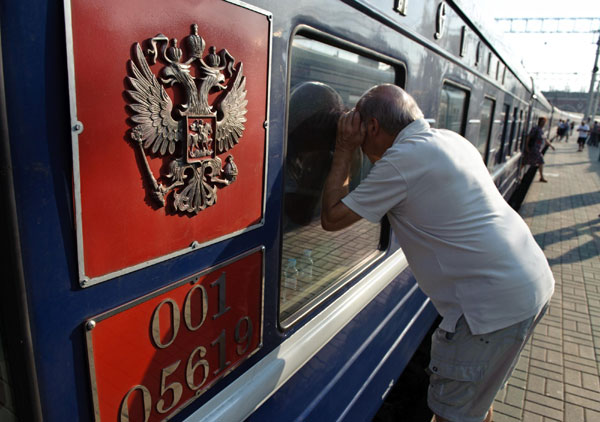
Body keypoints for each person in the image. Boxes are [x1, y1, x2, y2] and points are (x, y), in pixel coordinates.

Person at [321, 84, 554, 422]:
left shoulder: (403, 161)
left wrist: (343, 148)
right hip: (529, 282)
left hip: (489, 309)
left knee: (450, 416)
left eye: (360, 128)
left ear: (372, 127)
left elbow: (331, 217)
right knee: (473, 402)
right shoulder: (451, 140)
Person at [524, 117, 555, 182]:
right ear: (539, 121)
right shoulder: (535, 128)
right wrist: (526, 147)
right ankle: (541, 177)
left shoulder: (541, 130)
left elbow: (545, 140)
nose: (543, 123)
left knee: (526, 161)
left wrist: (551, 146)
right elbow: (529, 137)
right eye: (542, 122)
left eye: (544, 122)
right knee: (540, 162)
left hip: (537, 150)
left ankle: (541, 177)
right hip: (533, 149)